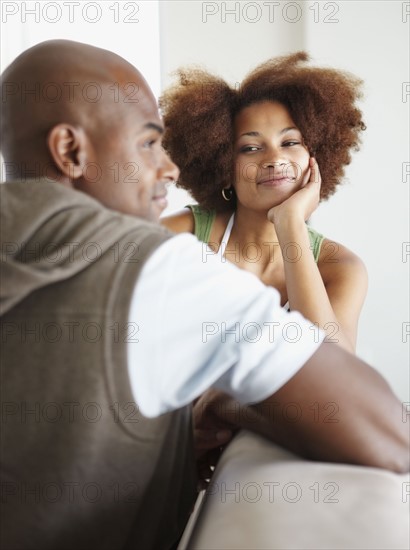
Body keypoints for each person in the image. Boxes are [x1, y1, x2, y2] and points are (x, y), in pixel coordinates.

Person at [0, 41, 408, 550]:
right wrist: (232, 404)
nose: (168, 171)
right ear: (70, 151)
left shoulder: (339, 265)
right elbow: (387, 431)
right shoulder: (163, 262)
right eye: (148, 143)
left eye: (291, 142)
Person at [160, 53, 367, 352]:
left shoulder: (340, 268)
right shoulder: (181, 237)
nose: (274, 160)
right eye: (251, 148)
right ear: (223, 166)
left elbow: (336, 370)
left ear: (316, 158)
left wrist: (290, 222)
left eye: (290, 142)